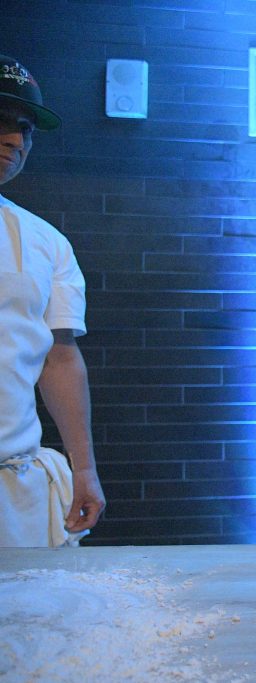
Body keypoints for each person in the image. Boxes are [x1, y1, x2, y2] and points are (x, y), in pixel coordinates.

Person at [0, 55, 105, 546]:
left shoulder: (45, 242)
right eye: (0, 121)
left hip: (11, 483)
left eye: (24, 128)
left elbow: (60, 358)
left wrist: (83, 468)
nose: (14, 139)